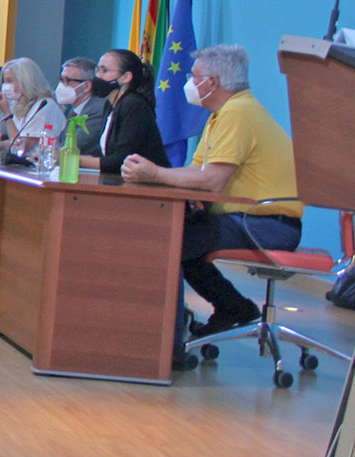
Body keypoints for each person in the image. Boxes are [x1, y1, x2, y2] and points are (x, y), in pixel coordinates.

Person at [122, 44, 301, 343]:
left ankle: (166, 342)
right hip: (247, 219)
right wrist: (154, 174)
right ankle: (233, 308)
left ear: (213, 82)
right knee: (174, 234)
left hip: (268, 225)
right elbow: (196, 171)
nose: (188, 83)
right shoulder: (224, 113)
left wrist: (155, 174)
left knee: (170, 240)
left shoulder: (239, 113)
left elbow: (212, 182)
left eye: (193, 76)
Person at [80, 49, 169, 174]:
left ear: (126, 77)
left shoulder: (133, 105)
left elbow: (121, 160)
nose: (98, 76)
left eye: (104, 70)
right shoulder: (110, 104)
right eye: (97, 70)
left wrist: (76, 161)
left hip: (148, 184)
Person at [0, 57, 62, 151]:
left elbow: (19, 147)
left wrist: (7, 114)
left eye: (10, 81)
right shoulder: (19, 104)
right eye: (4, 81)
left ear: (26, 81)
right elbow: (16, 139)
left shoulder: (43, 106)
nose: (5, 86)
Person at [56, 56, 108, 158]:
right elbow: (60, 141)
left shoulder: (97, 109)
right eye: (61, 79)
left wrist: (51, 152)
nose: (62, 85)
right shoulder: (75, 110)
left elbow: (75, 146)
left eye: (68, 80)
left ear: (86, 86)